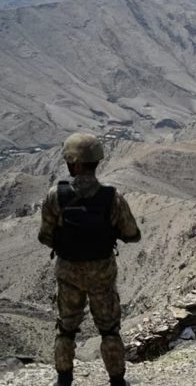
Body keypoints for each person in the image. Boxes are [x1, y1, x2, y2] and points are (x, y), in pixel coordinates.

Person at [38, 133, 141, 386]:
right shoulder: (112, 197)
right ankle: (117, 381)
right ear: (96, 161)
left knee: (66, 329)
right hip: (102, 274)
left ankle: (64, 380)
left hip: (68, 272)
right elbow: (132, 234)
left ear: (73, 163)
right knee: (109, 330)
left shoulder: (55, 196)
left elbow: (45, 236)